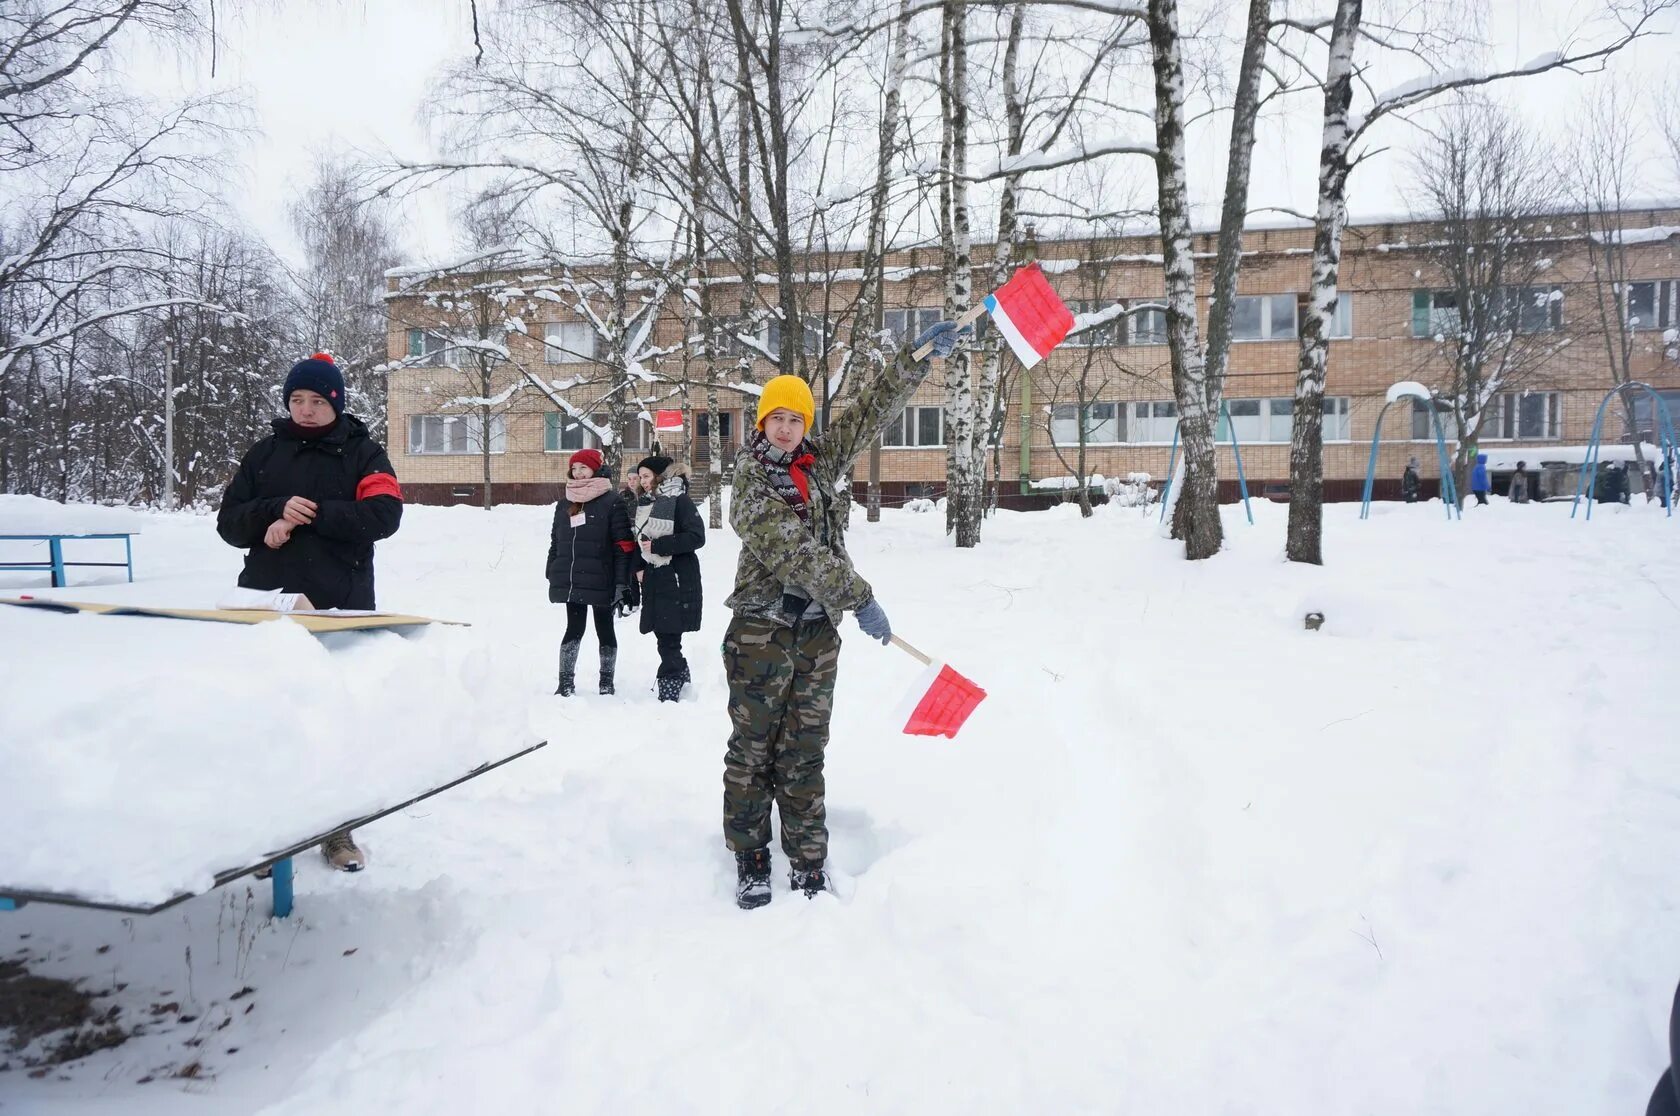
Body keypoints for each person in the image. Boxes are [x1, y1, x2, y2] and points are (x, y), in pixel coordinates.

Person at [723, 319, 962, 909]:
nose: (786, 428)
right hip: (761, 634)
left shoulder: (819, 463)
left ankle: (807, 858)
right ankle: (751, 856)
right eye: (776, 418)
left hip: (815, 636)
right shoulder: (750, 481)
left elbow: (870, 413)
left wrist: (915, 358)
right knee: (754, 751)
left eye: (796, 419)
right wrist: (858, 595)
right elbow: (793, 551)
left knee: (806, 750)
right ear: (762, 424)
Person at [217, 352, 403, 872]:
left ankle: (337, 831)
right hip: (267, 606)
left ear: (336, 403)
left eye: (316, 401)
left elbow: (385, 515)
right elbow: (229, 524)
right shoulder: (263, 455)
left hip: (337, 605)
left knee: (331, 720)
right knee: (266, 717)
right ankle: (268, 831)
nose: (304, 410)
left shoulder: (363, 454)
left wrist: (312, 515)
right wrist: (271, 513)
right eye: (296, 400)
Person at [547, 448, 635, 696]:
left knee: (605, 628)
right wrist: (552, 567)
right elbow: (556, 541)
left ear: (595, 469)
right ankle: (565, 682)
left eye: (583, 468)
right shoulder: (565, 503)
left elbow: (623, 545)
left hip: (601, 577)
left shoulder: (611, 501)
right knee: (573, 629)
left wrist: (621, 583)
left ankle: (606, 683)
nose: (577, 473)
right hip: (573, 578)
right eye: (574, 468)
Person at [631, 454, 706, 702]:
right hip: (655, 576)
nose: (642, 481)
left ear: (660, 475)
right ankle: (680, 672)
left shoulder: (679, 500)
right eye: (640, 477)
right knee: (663, 633)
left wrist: (660, 546)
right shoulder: (646, 503)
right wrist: (640, 565)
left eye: (646, 476)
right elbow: (641, 541)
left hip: (676, 576)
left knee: (669, 633)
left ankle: (672, 681)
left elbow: (697, 537)